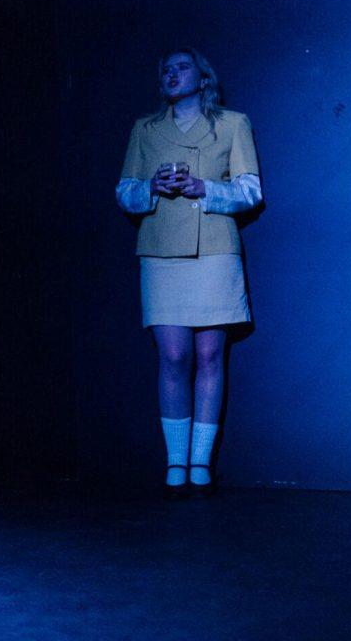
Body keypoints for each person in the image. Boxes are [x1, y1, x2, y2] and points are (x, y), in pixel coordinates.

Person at [115, 48, 262, 498]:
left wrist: (205, 189)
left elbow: (250, 190)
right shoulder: (146, 129)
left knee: (211, 356)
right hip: (161, 250)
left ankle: (200, 466)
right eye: (165, 70)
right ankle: (174, 463)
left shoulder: (232, 123)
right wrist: (150, 189)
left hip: (214, 249)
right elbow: (124, 191)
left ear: (202, 77)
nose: (171, 74)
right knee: (174, 356)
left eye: (180, 67)